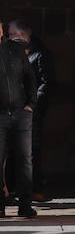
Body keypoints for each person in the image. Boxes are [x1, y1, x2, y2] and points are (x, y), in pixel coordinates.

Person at [8, 20, 53, 203]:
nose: (9, 37)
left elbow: (46, 83)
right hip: (13, 109)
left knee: (30, 150)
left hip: (29, 111)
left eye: (11, 34)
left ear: (21, 34)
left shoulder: (39, 54)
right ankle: (11, 189)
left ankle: (34, 189)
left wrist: (32, 105)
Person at [0, 16, 37, 218]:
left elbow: (30, 76)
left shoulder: (14, 49)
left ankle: (25, 204)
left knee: (25, 160)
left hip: (21, 112)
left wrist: (31, 104)